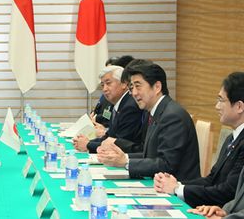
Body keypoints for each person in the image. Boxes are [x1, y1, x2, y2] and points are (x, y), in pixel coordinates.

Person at [97, 62, 200, 180]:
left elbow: (167, 164)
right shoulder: (152, 112)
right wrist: (122, 157)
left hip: (176, 190)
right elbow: (149, 155)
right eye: (131, 87)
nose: (134, 93)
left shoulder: (172, 116)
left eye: (138, 86)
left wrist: (126, 162)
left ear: (157, 87)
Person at [154, 72, 244, 207]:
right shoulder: (232, 138)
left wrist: (178, 189)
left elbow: (228, 192)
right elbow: (212, 180)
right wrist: (177, 184)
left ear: (239, 107)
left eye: (221, 100)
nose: (216, 106)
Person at [73, 65, 143, 153]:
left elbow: (119, 143)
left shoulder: (130, 106)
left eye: (108, 83)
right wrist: (87, 142)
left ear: (124, 84)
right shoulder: (119, 104)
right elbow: (109, 137)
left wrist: (88, 145)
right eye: (102, 85)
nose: (104, 89)